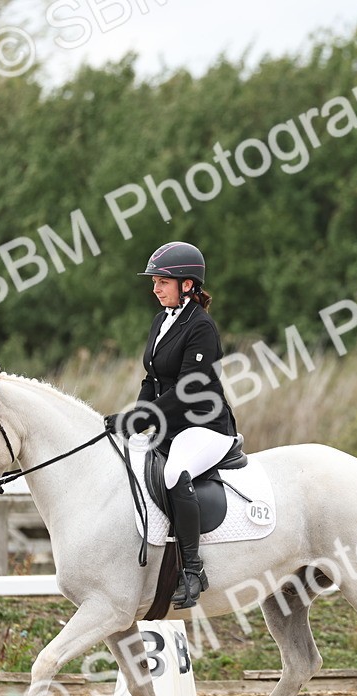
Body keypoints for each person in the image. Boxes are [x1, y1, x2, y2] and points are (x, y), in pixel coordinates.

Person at [104, 241, 238, 609]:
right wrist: (135, 417)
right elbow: (153, 380)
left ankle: (193, 570)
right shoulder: (162, 321)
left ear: (188, 285)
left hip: (204, 427)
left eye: (162, 281)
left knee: (174, 473)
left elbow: (187, 389)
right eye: (155, 282)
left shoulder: (202, 328)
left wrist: (144, 417)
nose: (155, 288)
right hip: (170, 426)